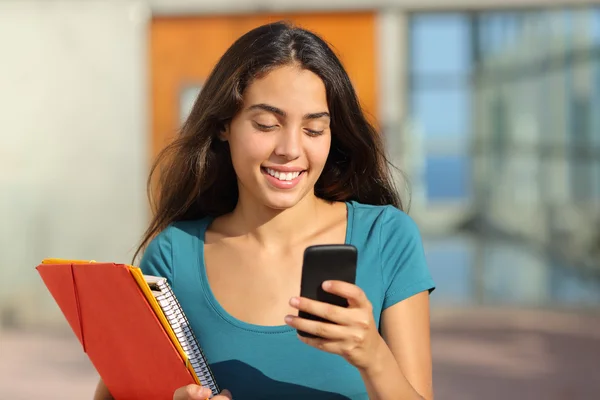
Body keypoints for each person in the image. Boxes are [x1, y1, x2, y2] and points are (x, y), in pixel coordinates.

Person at [93, 20, 435, 400]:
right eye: (267, 124)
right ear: (225, 125)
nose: (290, 149)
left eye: (314, 129)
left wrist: (374, 357)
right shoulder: (173, 256)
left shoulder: (386, 238)